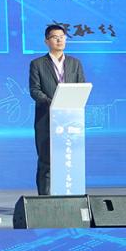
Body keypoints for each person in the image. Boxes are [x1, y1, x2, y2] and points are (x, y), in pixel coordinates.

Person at [29, 24, 87, 196]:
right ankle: (44, 200)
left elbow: (81, 87)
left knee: (69, 160)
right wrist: (54, 103)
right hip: (46, 120)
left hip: (70, 120)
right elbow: (35, 90)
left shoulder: (75, 63)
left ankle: (70, 199)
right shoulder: (37, 64)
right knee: (46, 162)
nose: (59, 40)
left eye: (62, 37)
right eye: (55, 37)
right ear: (46, 41)